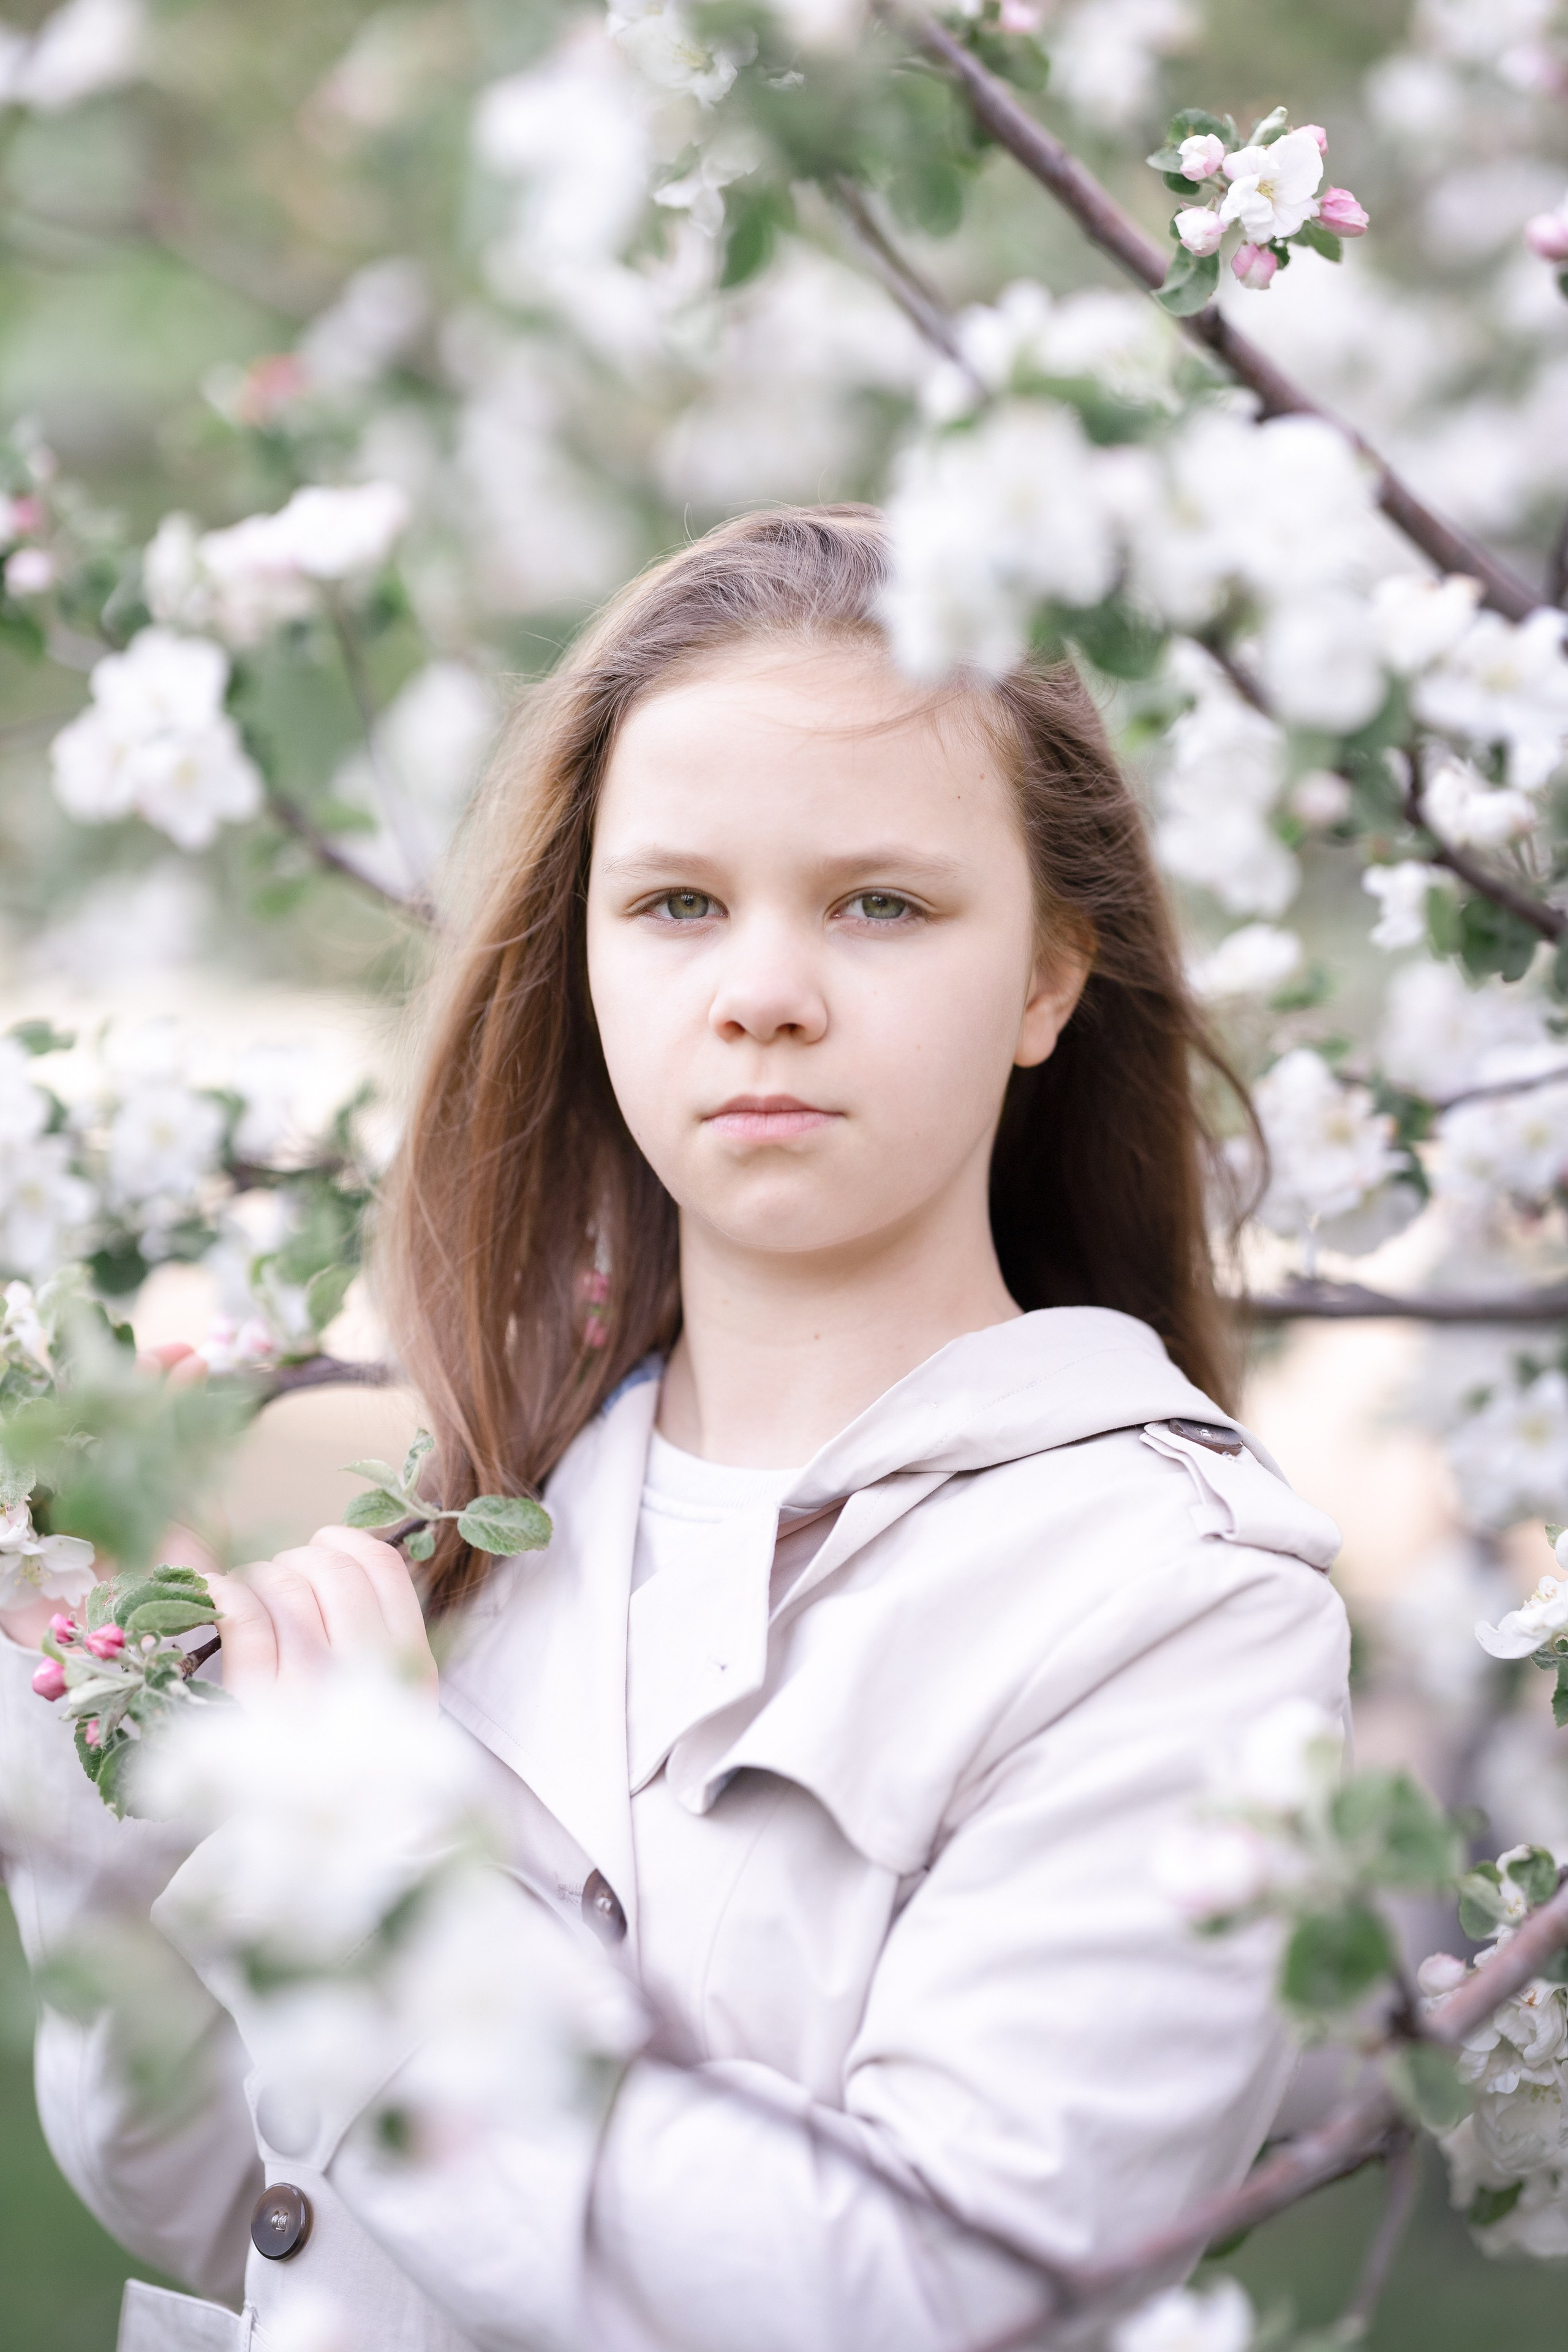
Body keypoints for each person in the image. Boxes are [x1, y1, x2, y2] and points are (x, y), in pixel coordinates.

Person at [0, 506, 1348, 2352]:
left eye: (882, 902)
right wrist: (109, 1855)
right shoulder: (493, 1519)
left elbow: (916, 2298)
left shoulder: (1170, 1608)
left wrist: (372, 1885)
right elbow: (253, 2219)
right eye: (677, 904)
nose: (764, 991)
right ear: (594, 957)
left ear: (1047, 976)